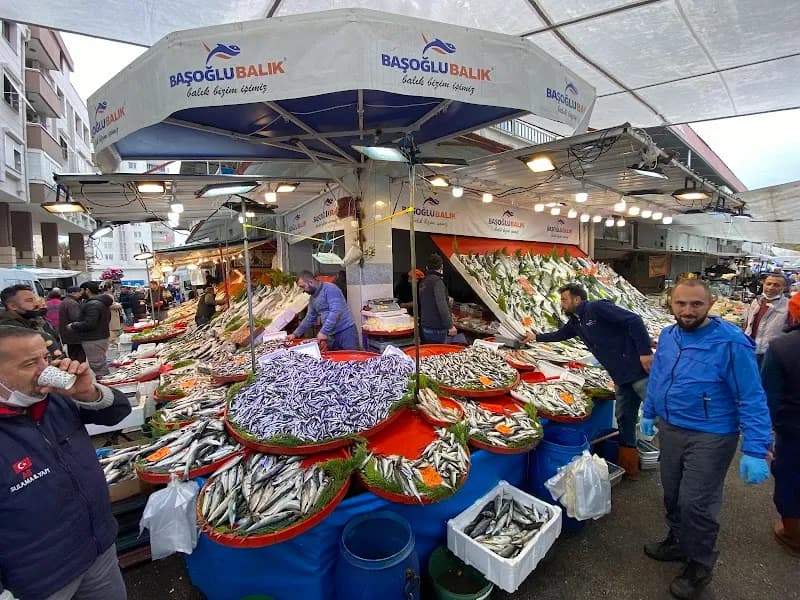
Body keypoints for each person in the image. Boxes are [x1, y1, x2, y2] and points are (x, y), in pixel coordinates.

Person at [641, 279, 772, 599]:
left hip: (712, 434)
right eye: (681, 304)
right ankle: (677, 540)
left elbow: (752, 396)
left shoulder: (731, 342)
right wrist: (649, 410)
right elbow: (659, 375)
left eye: (696, 304)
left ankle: (699, 565)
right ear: (670, 304)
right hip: (671, 428)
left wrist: (755, 448)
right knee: (672, 493)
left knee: (696, 502)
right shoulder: (669, 336)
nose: (688, 311)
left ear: (709, 304)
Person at [0, 325, 130, 600]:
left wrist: (89, 393)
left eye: (44, 359)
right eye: (29, 364)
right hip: (38, 582)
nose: (44, 369)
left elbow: (118, 412)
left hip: (98, 549)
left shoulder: (53, 400)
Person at [529, 283, 653, 479]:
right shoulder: (576, 321)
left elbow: (634, 320)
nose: (561, 303)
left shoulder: (596, 308)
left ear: (577, 299)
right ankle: (629, 466)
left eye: (564, 299)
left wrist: (645, 352)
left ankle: (683, 448)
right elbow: (560, 335)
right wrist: (535, 337)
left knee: (661, 411)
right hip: (619, 376)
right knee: (624, 418)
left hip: (637, 371)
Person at [760, 293, 800, 555]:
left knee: (791, 481)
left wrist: (762, 440)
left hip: (794, 430)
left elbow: (768, 399)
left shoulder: (781, 347)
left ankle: (794, 535)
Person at [288, 271, 358, 350]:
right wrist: (295, 334)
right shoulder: (312, 299)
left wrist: (323, 331)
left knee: (352, 358)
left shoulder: (330, 289)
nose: (303, 290)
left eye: (303, 286)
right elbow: (309, 318)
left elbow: (336, 312)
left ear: (311, 282)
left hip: (346, 332)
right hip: (331, 335)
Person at [0, 284, 62, 359]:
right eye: (29, 301)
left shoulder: (34, 320)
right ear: (13, 306)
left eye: (35, 299)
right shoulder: (8, 330)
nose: (36, 303)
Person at [66, 282, 113, 378]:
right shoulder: (100, 302)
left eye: (81, 290)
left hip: (93, 338)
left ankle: (106, 385)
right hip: (99, 336)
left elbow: (90, 323)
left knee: (98, 366)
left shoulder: (93, 304)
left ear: (87, 290)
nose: (80, 292)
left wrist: (73, 325)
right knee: (99, 363)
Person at [743, 273, 789, 366]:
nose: (771, 287)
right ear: (763, 285)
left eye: (776, 285)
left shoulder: (788, 306)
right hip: (750, 348)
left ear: (783, 288)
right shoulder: (756, 302)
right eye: (768, 284)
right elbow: (748, 324)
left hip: (771, 353)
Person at [418, 254, 457, 344]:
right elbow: (441, 305)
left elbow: (426, 301)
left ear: (427, 267)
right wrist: (450, 326)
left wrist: (446, 298)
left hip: (425, 326)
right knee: (438, 354)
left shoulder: (423, 281)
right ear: (441, 266)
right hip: (436, 328)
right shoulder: (437, 282)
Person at [59, 286, 86, 362]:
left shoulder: (65, 301)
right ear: (73, 293)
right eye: (79, 292)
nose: (80, 294)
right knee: (79, 356)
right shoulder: (72, 303)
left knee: (72, 354)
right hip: (74, 334)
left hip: (68, 333)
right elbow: (76, 318)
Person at [102, 282, 124, 351]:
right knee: (112, 329)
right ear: (109, 288)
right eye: (111, 287)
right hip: (112, 314)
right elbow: (111, 305)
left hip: (109, 314)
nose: (112, 289)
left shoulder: (104, 295)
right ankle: (111, 343)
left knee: (112, 329)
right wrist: (119, 305)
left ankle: (112, 343)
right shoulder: (109, 296)